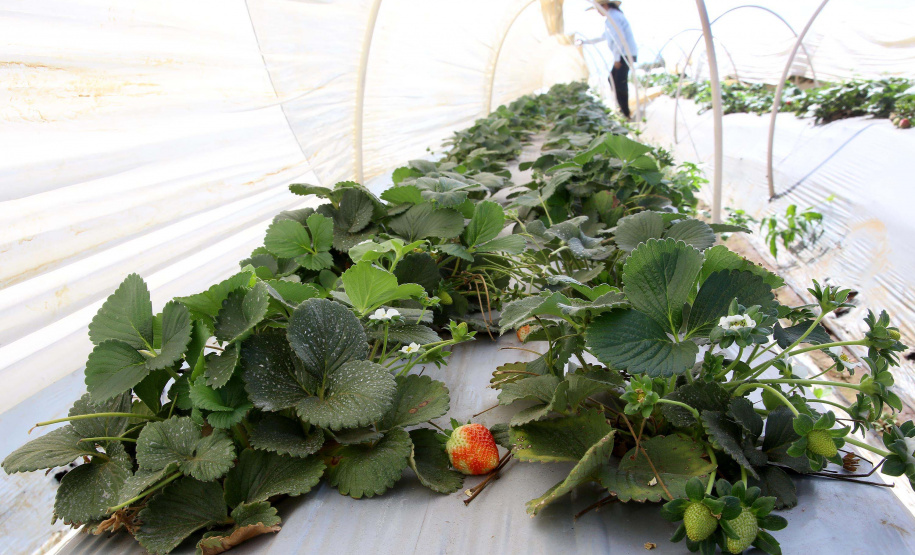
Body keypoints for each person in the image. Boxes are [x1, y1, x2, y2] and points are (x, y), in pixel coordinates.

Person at [580, 1, 638, 119]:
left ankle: (626, 113)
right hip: (623, 54)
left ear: (605, 6)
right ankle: (622, 109)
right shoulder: (611, 18)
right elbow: (604, 36)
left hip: (624, 54)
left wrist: (617, 59)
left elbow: (618, 38)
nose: (597, 11)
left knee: (619, 82)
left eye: (598, 9)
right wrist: (585, 41)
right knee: (613, 79)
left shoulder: (614, 16)